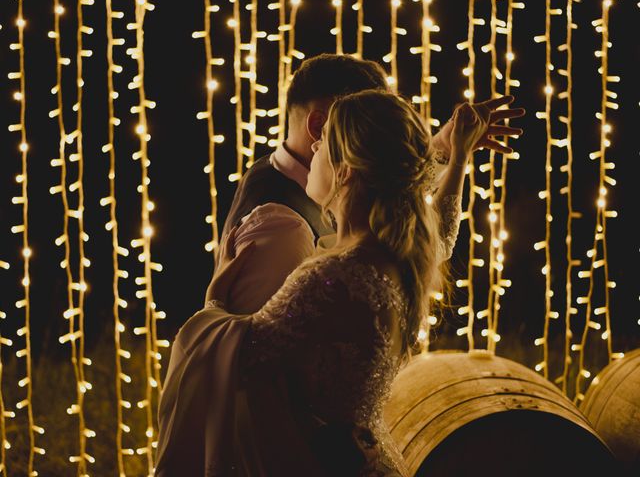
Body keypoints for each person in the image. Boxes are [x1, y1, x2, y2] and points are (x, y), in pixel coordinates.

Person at [155, 89, 524, 475]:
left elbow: (236, 359)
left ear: (346, 169)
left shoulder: (331, 276)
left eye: (325, 139)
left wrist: (214, 302)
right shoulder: (405, 255)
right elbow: (444, 232)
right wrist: (457, 153)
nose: (314, 145)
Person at [208, 53, 523, 315]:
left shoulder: (281, 172)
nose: (380, 139)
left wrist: (443, 150)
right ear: (319, 127)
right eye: (366, 125)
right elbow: (254, 367)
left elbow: (383, 191)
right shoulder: (282, 226)